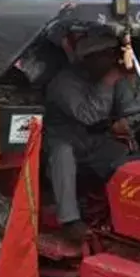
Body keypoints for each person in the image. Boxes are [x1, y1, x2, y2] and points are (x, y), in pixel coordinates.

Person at [45, 34, 136, 243]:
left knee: (125, 155)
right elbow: (88, 115)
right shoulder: (64, 82)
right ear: (90, 58)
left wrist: (127, 122)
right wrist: (108, 81)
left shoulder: (113, 77)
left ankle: (113, 211)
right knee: (63, 154)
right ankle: (69, 221)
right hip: (62, 141)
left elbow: (130, 110)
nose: (113, 59)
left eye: (113, 54)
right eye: (107, 55)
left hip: (93, 141)